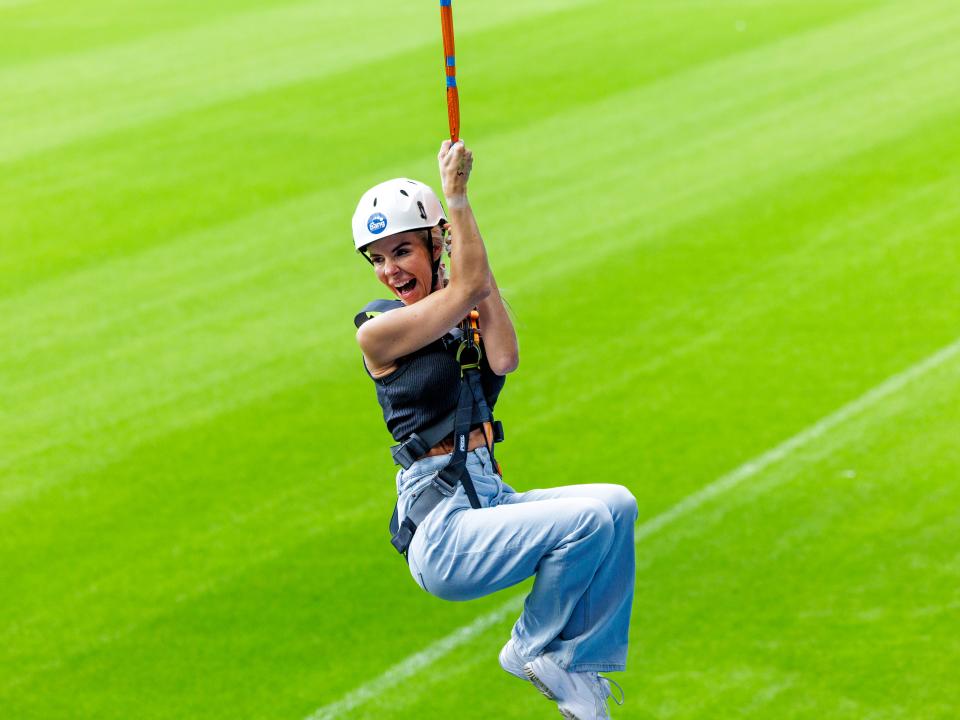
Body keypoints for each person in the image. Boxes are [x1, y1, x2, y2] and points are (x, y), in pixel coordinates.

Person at [351, 139, 638, 720]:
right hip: (444, 528)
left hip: (487, 499)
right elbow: (461, 290)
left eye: (402, 250)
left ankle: (579, 667)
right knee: (584, 523)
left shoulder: (466, 310)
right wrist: (456, 197)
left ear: (436, 244)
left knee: (617, 505)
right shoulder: (378, 331)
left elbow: (504, 357)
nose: (389, 271)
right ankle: (531, 646)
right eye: (377, 259)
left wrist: (465, 243)